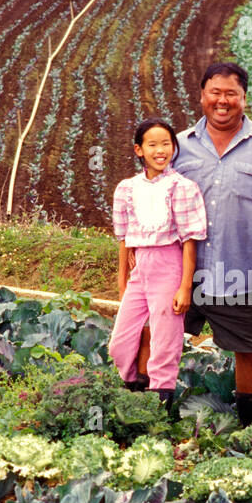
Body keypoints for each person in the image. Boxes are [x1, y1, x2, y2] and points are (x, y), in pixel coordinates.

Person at [173, 61, 252, 427]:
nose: (222, 101)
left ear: (244, 99)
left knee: (248, 351)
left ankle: (250, 427)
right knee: (157, 341)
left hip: (242, 271)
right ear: (202, 95)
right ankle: (151, 416)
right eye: (215, 93)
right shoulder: (178, 147)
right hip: (181, 272)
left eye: (231, 94)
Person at [108, 118, 206, 413]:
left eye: (166, 144)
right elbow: (124, 239)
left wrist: (185, 286)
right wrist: (123, 277)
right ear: (139, 150)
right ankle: (133, 395)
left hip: (170, 266)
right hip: (141, 269)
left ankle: (157, 412)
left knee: (165, 343)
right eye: (152, 144)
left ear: (174, 148)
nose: (160, 150)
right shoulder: (126, 189)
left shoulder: (182, 187)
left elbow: (190, 240)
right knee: (120, 342)